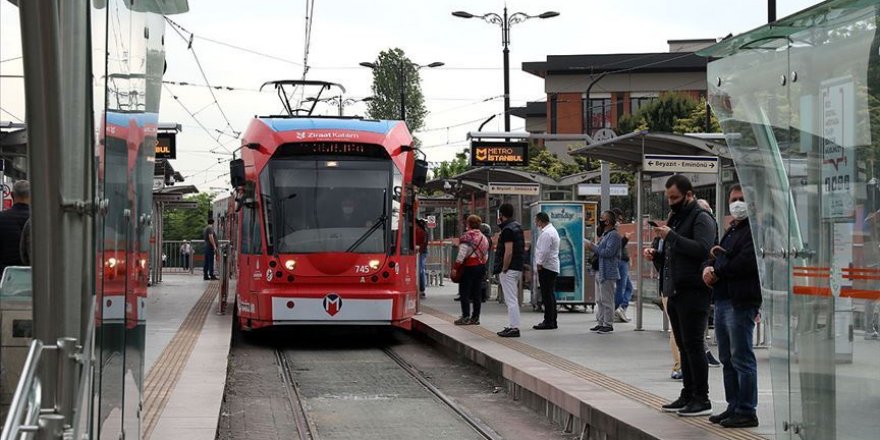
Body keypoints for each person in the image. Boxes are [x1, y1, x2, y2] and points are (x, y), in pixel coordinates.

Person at [645, 175, 717, 417]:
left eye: (675, 197)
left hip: (694, 292)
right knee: (684, 345)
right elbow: (674, 254)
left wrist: (672, 237)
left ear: (689, 195)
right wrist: (656, 254)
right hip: (675, 290)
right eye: (668, 198)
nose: (671, 202)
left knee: (694, 344)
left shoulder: (701, 217)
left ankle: (702, 397)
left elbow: (703, 249)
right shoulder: (678, 217)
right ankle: (687, 393)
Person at [702, 185, 762, 428]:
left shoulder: (754, 231)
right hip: (724, 298)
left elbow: (745, 261)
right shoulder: (732, 229)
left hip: (742, 300)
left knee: (741, 356)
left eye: (741, 199)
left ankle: (747, 410)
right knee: (727, 357)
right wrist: (709, 267)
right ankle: (733, 405)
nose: (737, 204)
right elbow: (715, 254)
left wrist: (717, 268)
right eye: (733, 199)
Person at [695, 199, 722, 369]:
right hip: (698, 277)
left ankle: (702, 351)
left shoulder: (710, 226)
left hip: (708, 274)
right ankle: (701, 353)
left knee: (703, 315)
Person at [586, 210, 621, 334]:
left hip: (608, 272)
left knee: (607, 299)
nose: (599, 220)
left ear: (607, 221)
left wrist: (593, 247)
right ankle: (600, 322)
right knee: (599, 299)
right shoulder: (606, 235)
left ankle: (608, 324)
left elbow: (608, 252)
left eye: (602, 218)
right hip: (600, 270)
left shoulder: (614, 236)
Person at [494, 203, 525, 338]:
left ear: (501, 215)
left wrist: (504, 268)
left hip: (509, 268)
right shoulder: (517, 226)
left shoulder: (507, 230)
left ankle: (514, 327)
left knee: (511, 299)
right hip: (517, 267)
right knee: (512, 298)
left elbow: (508, 252)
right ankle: (513, 325)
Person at [452, 215, 489, 325]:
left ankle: (466, 316)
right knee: (477, 292)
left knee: (465, 292)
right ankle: (475, 317)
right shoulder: (484, 238)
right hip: (481, 266)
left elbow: (461, 255)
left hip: (468, 266)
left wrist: (455, 268)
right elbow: (486, 255)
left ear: (468, 224)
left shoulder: (467, 237)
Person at [533, 212, 560, 330]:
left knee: (547, 295)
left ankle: (548, 321)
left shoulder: (547, 233)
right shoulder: (552, 231)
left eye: (536, 220)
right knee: (550, 294)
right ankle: (552, 320)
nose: (535, 223)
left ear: (540, 221)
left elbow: (544, 251)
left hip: (546, 267)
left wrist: (539, 263)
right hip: (551, 266)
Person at [0, 180, 31, 277]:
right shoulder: (40, 220)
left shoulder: (2, 218)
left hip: (6, 278)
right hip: (35, 278)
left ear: (12, 195)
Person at [611, 208, 633, 323]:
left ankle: (620, 309)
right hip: (620, 261)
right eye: (619, 219)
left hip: (621, 260)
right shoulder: (612, 231)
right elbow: (617, 247)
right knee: (622, 286)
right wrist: (625, 239)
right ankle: (619, 309)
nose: (620, 222)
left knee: (628, 287)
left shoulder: (612, 230)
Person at [415, 219, 428, 298]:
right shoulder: (423, 231)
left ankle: (421, 289)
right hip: (421, 252)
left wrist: (418, 250)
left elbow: (421, 244)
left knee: (420, 270)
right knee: (421, 270)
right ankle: (421, 289)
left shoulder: (419, 231)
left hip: (420, 252)